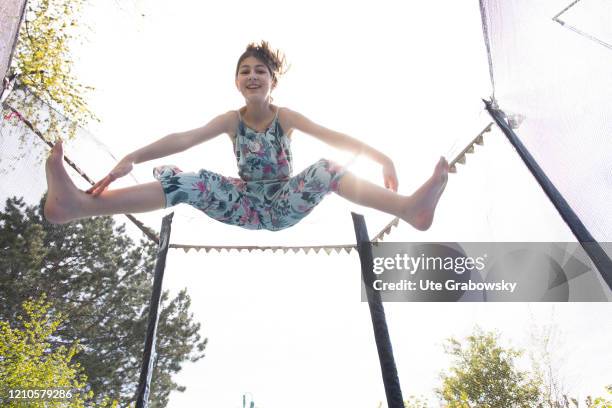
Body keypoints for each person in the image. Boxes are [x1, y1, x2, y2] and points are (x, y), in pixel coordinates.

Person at [44, 41, 449, 231]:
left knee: (328, 168)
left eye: (260, 71)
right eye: (245, 71)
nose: (252, 76)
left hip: (282, 202)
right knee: (190, 179)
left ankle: (408, 209)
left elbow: (333, 135)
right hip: (244, 203)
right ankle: (78, 206)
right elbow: (182, 137)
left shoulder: (285, 117)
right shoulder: (230, 121)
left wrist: (382, 158)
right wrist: (132, 155)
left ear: (273, 81)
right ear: (237, 82)